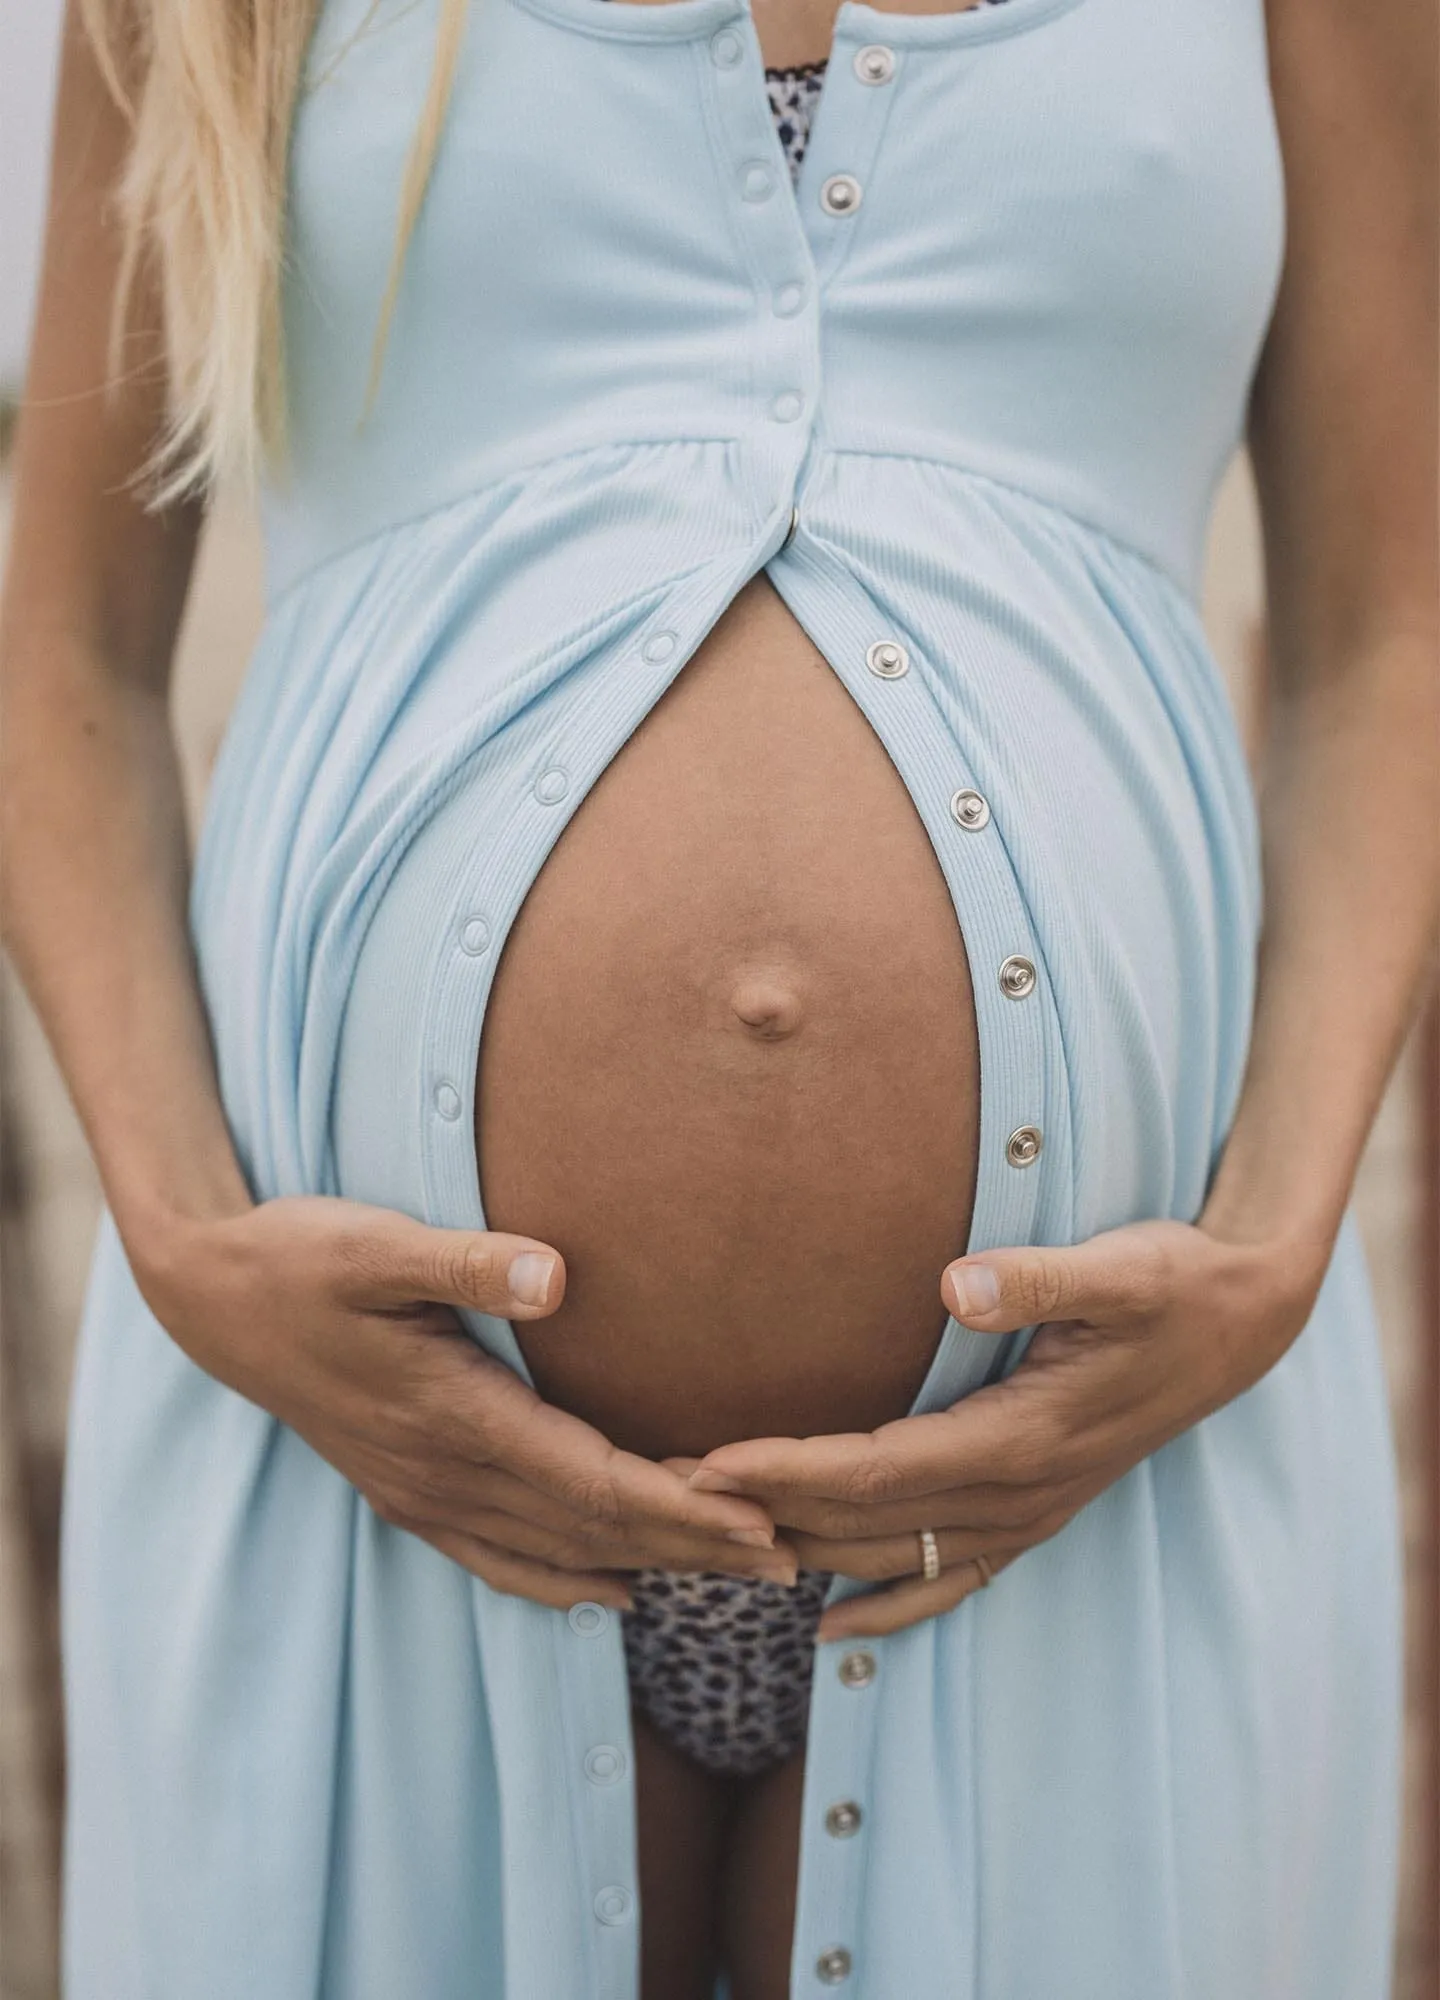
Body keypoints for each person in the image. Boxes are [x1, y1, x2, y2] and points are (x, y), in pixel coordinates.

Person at [1, 0, 1435, 1993]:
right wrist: (176, 1233)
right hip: (364, 1466)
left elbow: (1387, 630)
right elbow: (59, 654)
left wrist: (1277, 1242)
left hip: (1098, 1484)